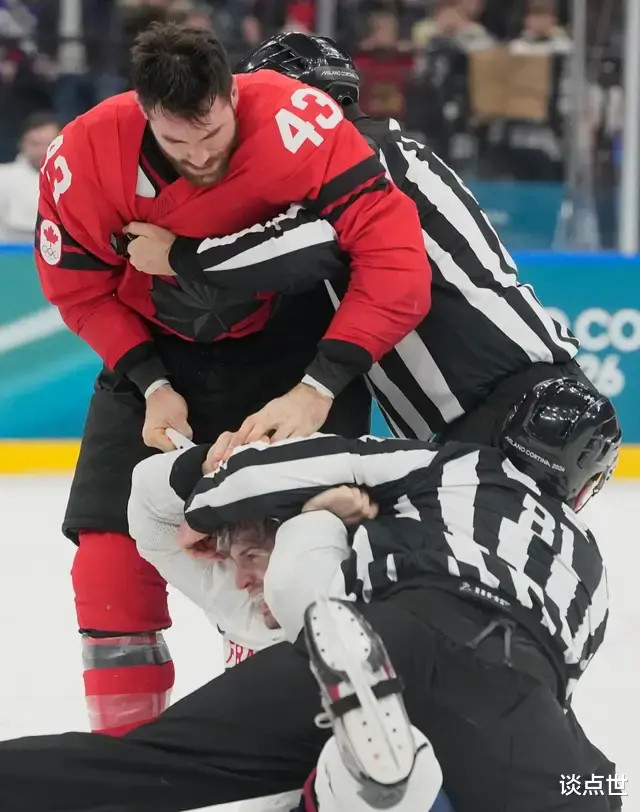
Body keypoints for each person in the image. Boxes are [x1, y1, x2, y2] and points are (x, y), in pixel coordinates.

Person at [33, 22, 430, 735]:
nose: (199, 157)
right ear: (144, 111)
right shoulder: (82, 155)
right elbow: (78, 289)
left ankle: (274, 746)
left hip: (291, 352)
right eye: (176, 142)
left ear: (233, 95)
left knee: (288, 570)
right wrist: (150, 382)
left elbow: (395, 261)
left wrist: (320, 385)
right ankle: (124, 761)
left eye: (212, 135)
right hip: (157, 356)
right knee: (107, 573)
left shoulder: (301, 122)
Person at [0, 378, 621, 812]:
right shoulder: (591, 571)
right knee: (596, 792)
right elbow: (558, 694)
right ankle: (380, 788)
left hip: (386, 638)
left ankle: (361, 774)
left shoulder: (449, 465)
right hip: (516, 696)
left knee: (143, 767)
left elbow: (285, 466)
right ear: (586, 484)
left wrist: (207, 507)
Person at [126, 32, 593, 470]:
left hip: (511, 401)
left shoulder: (364, 152)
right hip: (506, 405)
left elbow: (308, 241)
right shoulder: (385, 147)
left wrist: (180, 255)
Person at [0, 112, 59, 243]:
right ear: (23, 143)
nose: (43, 150)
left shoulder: (71, 182)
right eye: (35, 144)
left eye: (49, 144)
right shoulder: (3, 176)